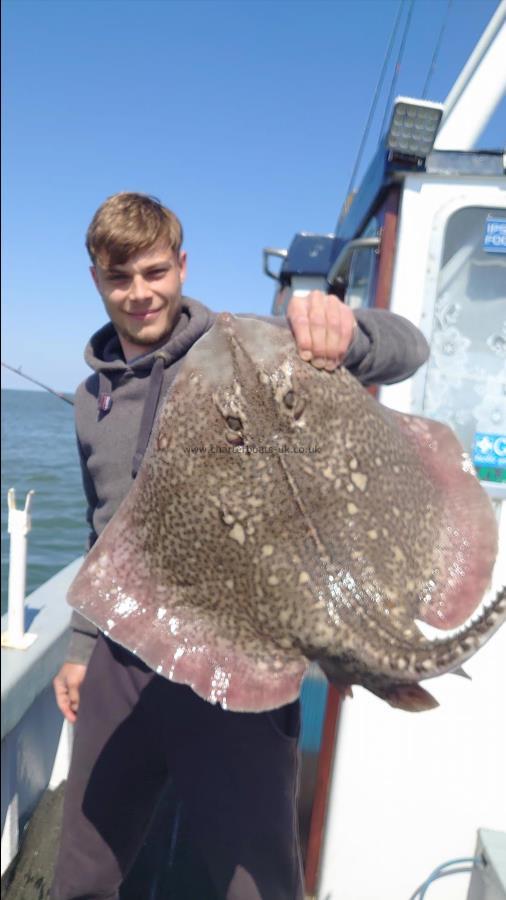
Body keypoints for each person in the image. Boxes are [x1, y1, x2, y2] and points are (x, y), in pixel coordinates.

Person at [51, 192, 429, 900]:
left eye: (155, 271)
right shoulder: (86, 399)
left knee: (257, 878)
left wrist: (348, 334)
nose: (140, 294)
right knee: (84, 868)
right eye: (119, 277)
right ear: (97, 279)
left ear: (182, 265)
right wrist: (80, 648)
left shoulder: (250, 348)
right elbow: (101, 526)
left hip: (242, 655)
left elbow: (410, 348)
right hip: (124, 655)